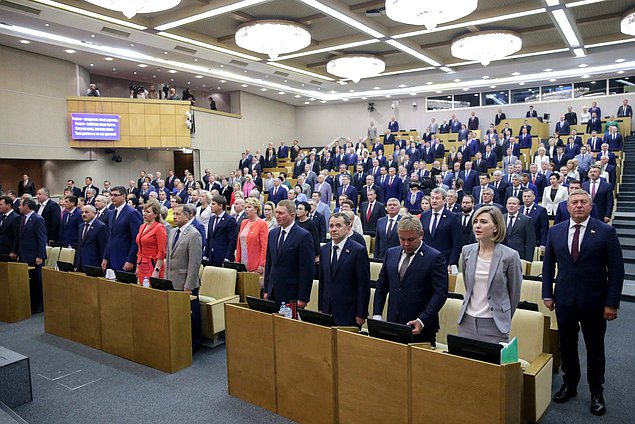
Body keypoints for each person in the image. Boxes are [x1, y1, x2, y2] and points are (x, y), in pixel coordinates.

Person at [542, 189, 624, 416]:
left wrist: (611, 303)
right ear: (567, 207)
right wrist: (547, 293)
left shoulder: (606, 231)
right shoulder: (556, 231)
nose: (578, 205)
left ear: (590, 206)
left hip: (595, 302)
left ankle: (597, 391)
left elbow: (616, 271)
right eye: (574, 202)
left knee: (594, 348)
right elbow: (548, 265)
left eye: (583, 202)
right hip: (564, 300)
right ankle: (570, 384)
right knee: (566, 345)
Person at [373, 216, 448, 344]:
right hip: (393, 323)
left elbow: (440, 293)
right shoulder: (390, 253)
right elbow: (382, 286)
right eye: (402, 239)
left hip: (420, 328)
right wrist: (377, 315)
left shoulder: (435, 257)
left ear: (421, 235)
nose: (406, 244)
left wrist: (422, 319)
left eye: (411, 239)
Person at [458, 206, 522, 343]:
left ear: (496, 227)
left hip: (495, 324)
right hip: (467, 321)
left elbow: (514, 294)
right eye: (475, 221)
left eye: (483, 222)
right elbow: (467, 284)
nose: (477, 226)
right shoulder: (466, 251)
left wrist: (503, 316)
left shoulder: (510, 256)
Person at [319, 213, 370, 326]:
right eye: (331, 226)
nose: (334, 229)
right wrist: (321, 308)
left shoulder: (358, 250)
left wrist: (361, 313)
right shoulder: (324, 249)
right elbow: (323, 282)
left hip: (349, 311)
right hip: (327, 309)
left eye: (338, 226)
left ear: (348, 228)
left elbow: (363, 285)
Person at [263, 200, 314, 306]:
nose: (277, 216)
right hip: (272, 291)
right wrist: (266, 289)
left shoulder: (303, 236)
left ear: (292, 215)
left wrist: (303, 297)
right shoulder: (273, 233)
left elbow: (307, 269)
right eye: (276, 212)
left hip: (291, 293)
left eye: (281, 213)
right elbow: (269, 263)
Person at [420, 188, 462, 273]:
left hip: (444, 261)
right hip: (425, 260)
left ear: (444, 200)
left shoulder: (453, 217)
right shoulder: (424, 215)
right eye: (432, 198)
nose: (434, 201)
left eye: (437, 198)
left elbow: (457, 243)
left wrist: (452, 263)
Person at [102, 186, 142, 272]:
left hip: (124, 259)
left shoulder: (132, 213)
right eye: (111, 195)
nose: (112, 197)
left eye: (115, 195)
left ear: (124, 196)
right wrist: (105, 257)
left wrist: (130, 260)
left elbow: (136, 239)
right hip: (111, 258)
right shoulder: (112, 213)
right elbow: (110, 237)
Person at [18, 196, 47, 314]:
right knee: (28, 282)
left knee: (37, 282)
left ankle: (39, 305)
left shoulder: (37, 219)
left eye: (20, 205)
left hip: (35, 256)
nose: (19, 207)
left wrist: (40, 255)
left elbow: (42, 239)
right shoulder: (23, 218)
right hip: (24, 255)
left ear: (26, 206)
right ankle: (31, 303)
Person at [166, 205, 202, 293]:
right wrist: (166, 279)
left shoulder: (194, 234)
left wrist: (189, 286)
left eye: (178, 214)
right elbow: (168, 258)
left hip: (185, 283)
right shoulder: (172, 231)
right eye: (173, 214)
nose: (174, 217)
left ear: (187, 216)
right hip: (171, 282)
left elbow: (194, 263)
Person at [135, 200, 167, 284]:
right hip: (142, 264)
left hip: (152, 265)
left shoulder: (159, 228)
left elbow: (162, 251)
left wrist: (157, 270)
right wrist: (137, 266)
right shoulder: (142, 226)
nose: (144, 214)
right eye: (144, 211)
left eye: (148, 212)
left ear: (156, 214)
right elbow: (139, 248)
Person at [236, 197, 268, 275]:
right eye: (245, 207)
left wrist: (262, 264)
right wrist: (237, 261)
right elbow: (239, 244)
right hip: (242, 262)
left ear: (256, 209)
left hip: (255, 263)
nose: (246, 209)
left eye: (249, 207)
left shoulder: (262, 224)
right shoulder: (244, 222)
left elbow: (264, 246)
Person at [204, 195, 238, 266]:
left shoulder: (230, 220)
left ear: (220, 206)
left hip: (223, 256)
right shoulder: (212, 219)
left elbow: (232, 241)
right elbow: (209, 238)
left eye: (213, 204)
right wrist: (206, 254)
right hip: (211, 256)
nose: (211, 206)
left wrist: (227, 257)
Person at [75, 205, 108, 272]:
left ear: (94, 213)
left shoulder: (101, 226)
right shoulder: (81, 226)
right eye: (82, 212)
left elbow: (104, 246)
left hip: (94, 264)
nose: (83, 214)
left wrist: (103, 261)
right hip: (80, 263)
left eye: (87, 212)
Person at [502, 197, 536, 261]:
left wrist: (528, 260)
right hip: (502, 254)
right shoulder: (501, 218)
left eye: (514, 204)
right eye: (509, 203)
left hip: (519, 256)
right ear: (506, 206)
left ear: (519, 206)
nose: (511, 205)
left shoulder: (526, 220)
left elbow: (530, 242)